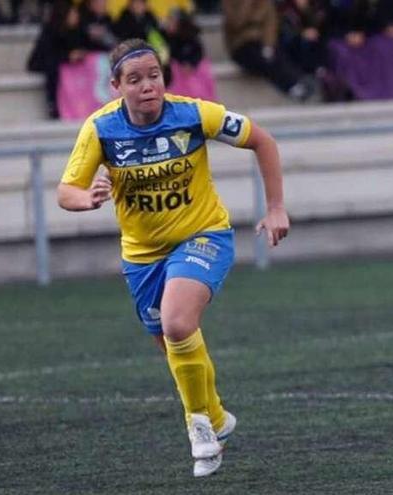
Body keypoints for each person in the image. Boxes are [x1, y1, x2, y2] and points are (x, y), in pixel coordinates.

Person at [56, 38, 291, 478]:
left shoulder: (195, 113)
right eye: (135, 79)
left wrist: (276, 206)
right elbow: (65, 191)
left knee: (178, 323)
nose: (148, 86)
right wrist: (86, 198)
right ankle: (218, 417)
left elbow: (263, 140)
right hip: (142, 255)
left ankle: (198, 426)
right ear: (115, 86)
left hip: (204, 236)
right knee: (172, 341)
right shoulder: (101, 129)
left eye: (154, 75)